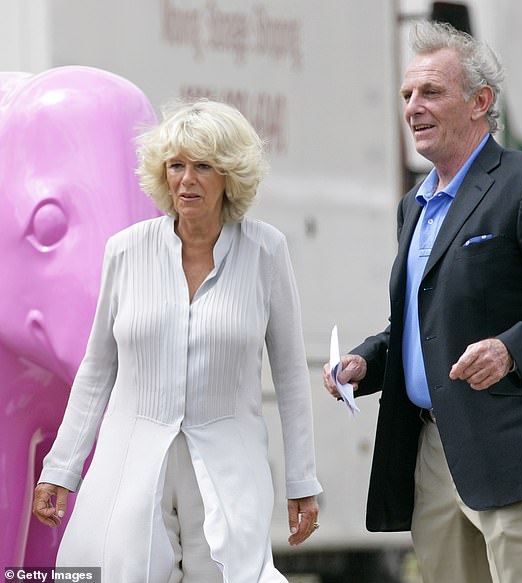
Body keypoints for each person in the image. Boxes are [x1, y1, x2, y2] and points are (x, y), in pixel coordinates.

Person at [323, 20, 522, 583]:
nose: (413, 107)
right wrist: (366, 362)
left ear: (480, 102)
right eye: (407, 94)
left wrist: (511, 349)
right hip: (432, 448)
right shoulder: (414, 206)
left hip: (515, 447)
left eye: (431, 92)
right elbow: (420, 323)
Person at [33, 99, 322, 583]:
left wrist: (302, 480)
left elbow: (291, 374)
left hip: (231, 463)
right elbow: (97, 369)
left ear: (229, 175)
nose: (186, 180)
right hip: (130, 461)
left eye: (203, 166)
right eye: (176, 166)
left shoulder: (266, 250)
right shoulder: (125, 251)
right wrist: (61, 467)